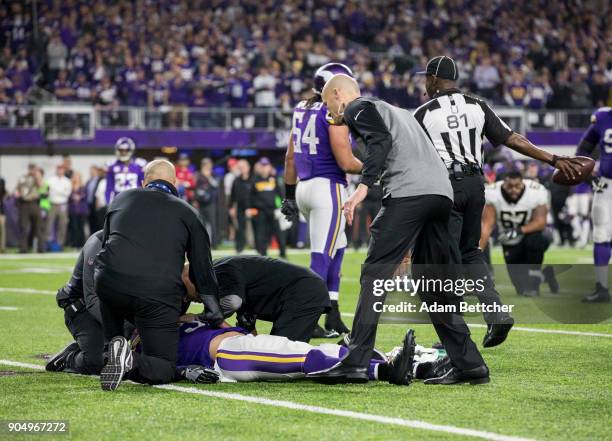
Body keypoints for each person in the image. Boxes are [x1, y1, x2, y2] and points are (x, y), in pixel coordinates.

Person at [309, 74, 487, 385]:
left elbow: (380, 140)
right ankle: (469, 364)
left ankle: (356, 360)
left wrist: (364, 186)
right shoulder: (402, 112)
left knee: (375, 274)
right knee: (432, 284)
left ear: (338, 94)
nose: (330, 111)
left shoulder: (357, 107)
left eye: (328, 103)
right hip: (441, 195)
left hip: (409, 193)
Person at [413, 56, 584, 346]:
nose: (424, 85)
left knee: (447, 258)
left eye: (425, 79)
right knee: (470, 252)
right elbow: (513, 139)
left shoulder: (424, 112)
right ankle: (496, 313)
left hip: (446, 185)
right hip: (476, 184)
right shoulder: (478, 105)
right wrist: (553, 159)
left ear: (432, 79)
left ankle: (456, 336)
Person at [95, 159, 222, 391]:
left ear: (144, 182)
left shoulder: (120, 199)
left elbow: (104, 246)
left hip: (109, 286)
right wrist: (213, 310)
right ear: (175, 183)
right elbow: (202, 268)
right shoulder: (188, 212)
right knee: (163, 367)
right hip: (155, 294)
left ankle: (111, 350)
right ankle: (129, 359)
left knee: (114, 329)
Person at [281, 62, 363, 338]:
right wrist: (377, 165)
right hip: (328, 188)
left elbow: (290, 156)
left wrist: (289, 195)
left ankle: (333, 313)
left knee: (337, 248)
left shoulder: (300, 108)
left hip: (304, 186)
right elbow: (345, 161)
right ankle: (308, 317)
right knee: (321, 256)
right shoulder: (331, 112)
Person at [186, 255, 330, 343]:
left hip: (303, 292)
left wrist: (198, 318)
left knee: (281, 355)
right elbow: (250, 329)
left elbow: (233, 301)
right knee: (270, 353)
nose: (189, 299)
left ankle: (341, 355)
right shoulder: (217, 274)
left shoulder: (220, 270)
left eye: (186, 293)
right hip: (297, 292)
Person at [480, 172, 558, 296]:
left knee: (535, 240)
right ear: (503, 184)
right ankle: (547, 275)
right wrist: (477, 252)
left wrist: (517, 231)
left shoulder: (535, 191)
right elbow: (487, 226)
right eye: (509, 186)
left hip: (532, 235)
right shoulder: (493, 193)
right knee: (521, 288)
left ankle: (534, 285)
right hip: (510, 242)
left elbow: (541, 222)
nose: (513, 190)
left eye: (517, 186)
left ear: (522, 183)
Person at [46, 231, 105, 375]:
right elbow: (92, 299)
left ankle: (106, 343)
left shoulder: (135, 244)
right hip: (81, 307)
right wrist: (118, 328)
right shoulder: (97, 243)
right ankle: (69, 358)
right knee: (95, 362)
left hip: (109, 306)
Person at [576, 107, 612, 303]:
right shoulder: (602, 117)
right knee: (600, 234)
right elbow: (582, 150)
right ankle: (602, 287)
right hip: (606, 185)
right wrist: (588, 176)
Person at [249, 157, 286, 258]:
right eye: (263, 166)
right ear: (259, 167)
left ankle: (283, 253)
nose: (264, 168)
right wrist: (251, 208)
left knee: (278, 232)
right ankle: (262, 254)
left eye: (266, 165)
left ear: (269, 167)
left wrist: (281, 209)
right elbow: (251, 196)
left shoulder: (274, 179)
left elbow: (281, 194)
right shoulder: (255, 180)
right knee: (261, 233)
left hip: (273, 211)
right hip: (260, 211)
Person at [105, 137, 146, 204]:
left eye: (126, 150)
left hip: (135, 201)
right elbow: (109, 188)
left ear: (131, 150)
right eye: (121, 150)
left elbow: (144, 186)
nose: (123, 152)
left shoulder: (140, 165)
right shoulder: (112, 165)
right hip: (119, 201)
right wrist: (108, 204)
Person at [15, 164, 45, 253]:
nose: (32, 171)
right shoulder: (22, 178)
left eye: (33, 169)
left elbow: (41, 185)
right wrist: (18, 194)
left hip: (34, 203)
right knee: (24, 227)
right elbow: (17, 189)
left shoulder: (37, 178)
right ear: (28, 169)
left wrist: (37, 174)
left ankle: (41, 248)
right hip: (24, 204)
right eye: (31, 169)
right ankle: (23, 248)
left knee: (38, 227)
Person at [46, 164, 72, 249]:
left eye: (61, 169)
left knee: (62, 225)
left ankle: (60, 244)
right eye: (58, 169)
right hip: (52, 204)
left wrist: (55, 190)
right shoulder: (51, 180)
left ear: (63, 171)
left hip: (62, 204)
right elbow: (49, 192)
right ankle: (48, 243)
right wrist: (61, 191)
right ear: (56, 170)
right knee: (49, 224)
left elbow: (67, 193)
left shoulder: (67, 181)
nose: (60, 171)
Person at [194, 158, 219, 245]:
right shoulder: (198, 175)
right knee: (202, 223)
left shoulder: (213, 175)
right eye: (205, 164)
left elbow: (216, 185)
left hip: (210, 203)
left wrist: (208, 177)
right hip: (201, 202)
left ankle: (214, 243)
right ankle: (204, 242)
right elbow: (196, 188)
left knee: (212, 223)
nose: (207, 166)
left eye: (208, 164)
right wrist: (196, 200)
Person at [229, 159, 252, 253]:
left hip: (253, 206)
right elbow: (232, 195)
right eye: (240, 167)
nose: (242, 169)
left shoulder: (253, 179)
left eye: (243, 167)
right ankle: (239, 247)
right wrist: (231, 207)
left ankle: (255, 245)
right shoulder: (236, 180)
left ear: (248, 167)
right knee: (240, 228)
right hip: (240, 207)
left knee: (254, 227)